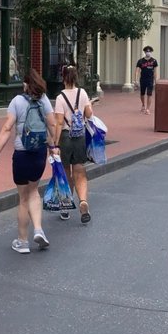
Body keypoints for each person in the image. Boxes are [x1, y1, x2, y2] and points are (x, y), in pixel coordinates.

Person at [0, 69, 58, 253]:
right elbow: (52, 124)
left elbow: (6, 129)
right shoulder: (44, 100)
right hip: (39, 153)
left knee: (22, 198)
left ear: (26, 84)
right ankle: (39, 230)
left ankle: (22, 241)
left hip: (21, 153)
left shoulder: (16, 102)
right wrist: (53, 147)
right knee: (34, 192)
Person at [54, 64, 95, 225]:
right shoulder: (82, 93)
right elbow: (89, 114)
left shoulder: (60, 98)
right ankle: (83, 201)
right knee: (80, 171)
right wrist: (89, 104)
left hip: (65, 136)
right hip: (79, 136)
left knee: (65, 173)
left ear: (63, 77)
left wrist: (55, 145)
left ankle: (65, 206)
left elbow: (58, 123)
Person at [135, 46, 158, 115]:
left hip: (150, 79)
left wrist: (155, 80)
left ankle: (148, 108)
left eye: (149, 51)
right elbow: (137, 71)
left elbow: (155, 71)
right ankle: (143, 104)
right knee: (142, 93)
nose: (148, 53)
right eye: (147, 51)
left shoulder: (154, 61)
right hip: (143, 79)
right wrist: (136, 80)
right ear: (144, 52)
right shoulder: (141, 61)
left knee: (149, 94)